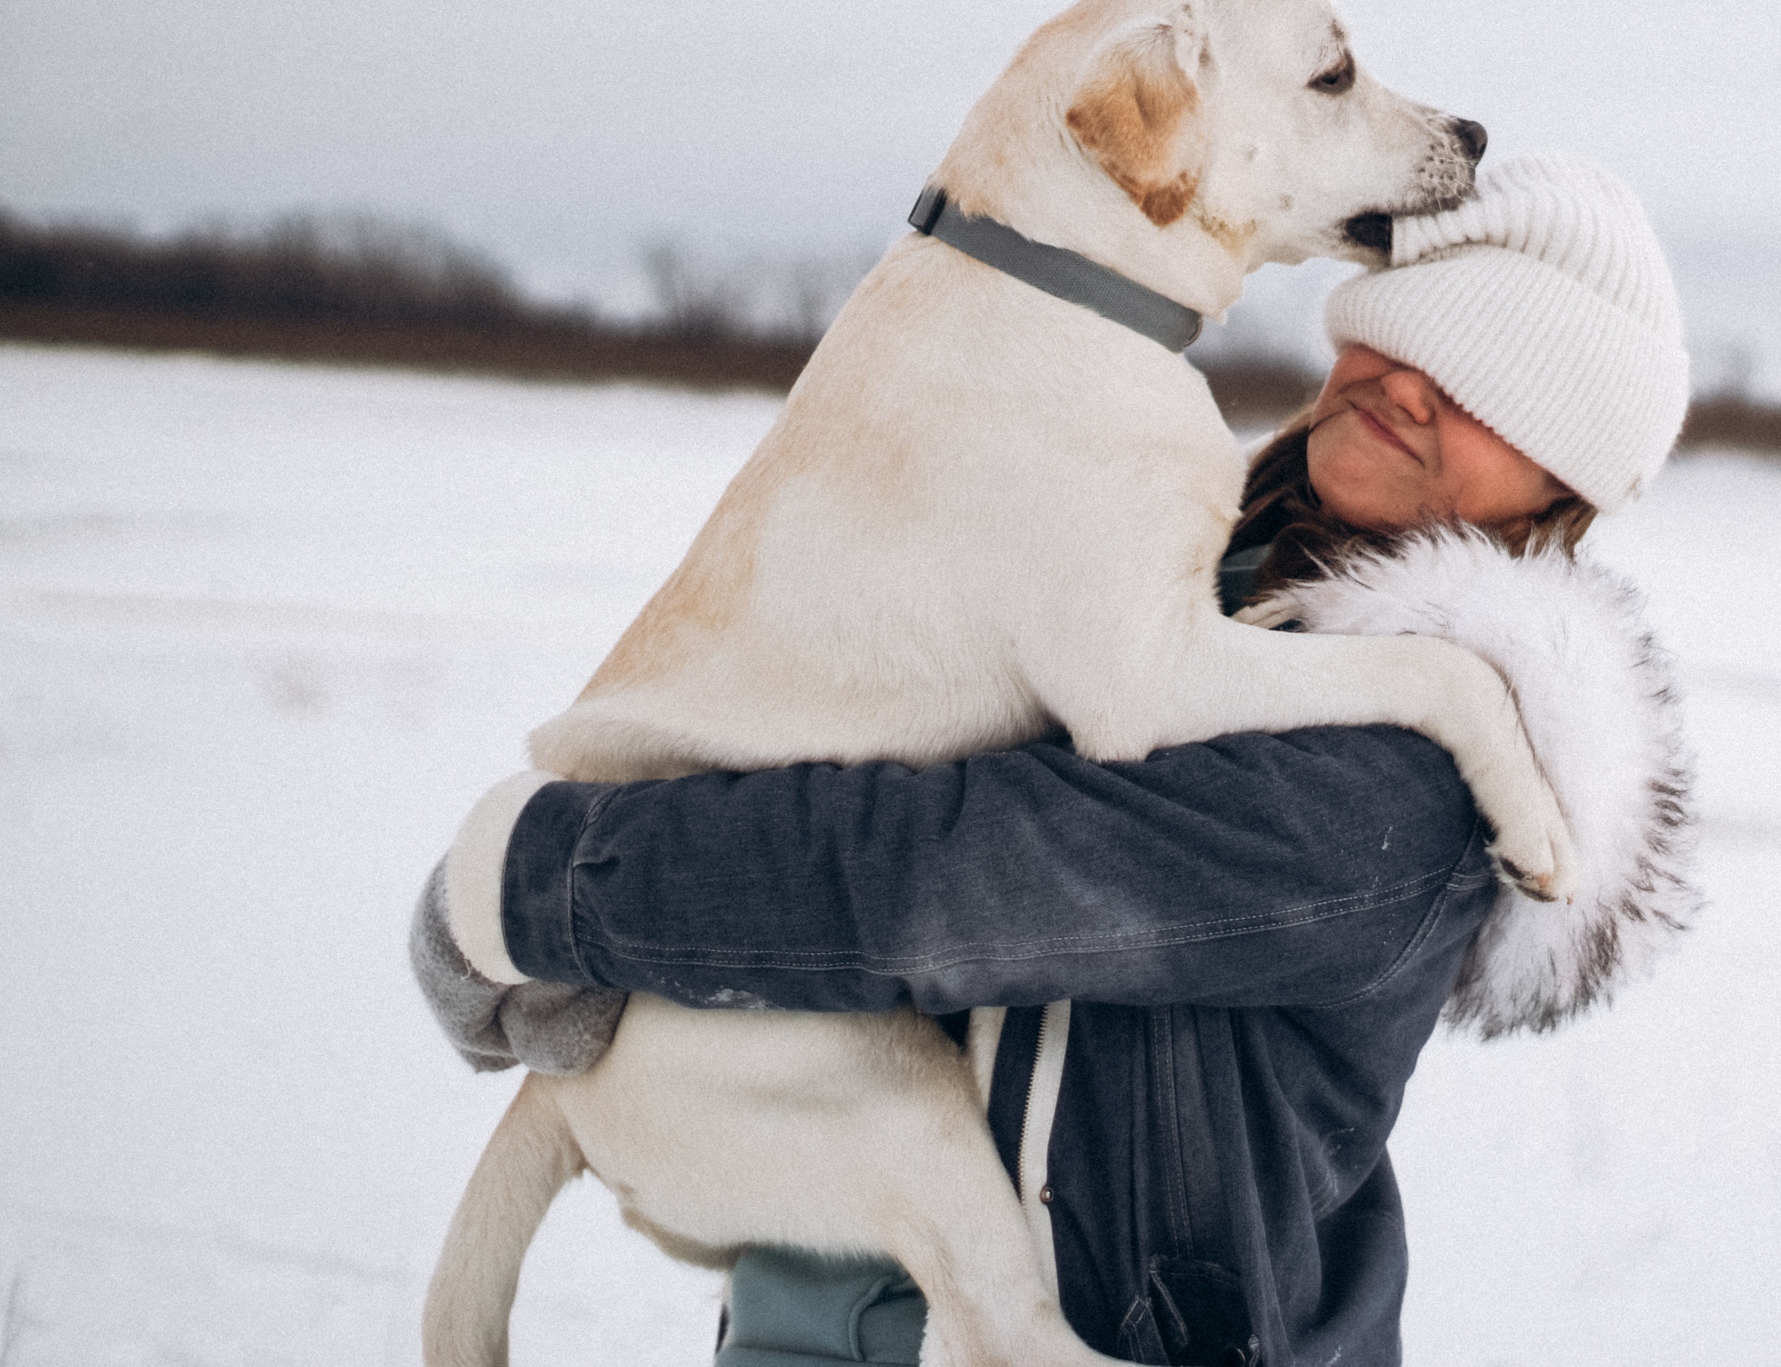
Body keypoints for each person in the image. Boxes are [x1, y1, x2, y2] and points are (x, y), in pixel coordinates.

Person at [415, 154, 1702, 1367]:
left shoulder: (1414, 770)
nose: (1411, 384)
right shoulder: (1174, 578)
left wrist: (537, 884)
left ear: (1561, 486)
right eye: (1409, 332)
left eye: (1491, 392)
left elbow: (950, 879)